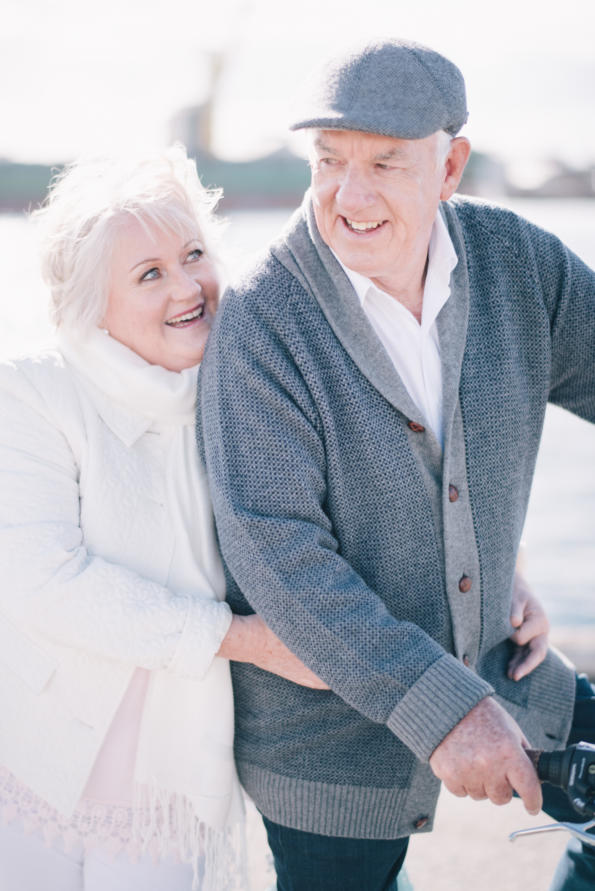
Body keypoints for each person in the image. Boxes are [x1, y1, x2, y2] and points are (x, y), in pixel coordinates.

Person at [198, 39, 595, 891]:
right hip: (326, 733)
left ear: (449, 165)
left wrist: (502, 569)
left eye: (384, 162)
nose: (350, 194)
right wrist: (443, 708)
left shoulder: (514, 263)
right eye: (330, 160)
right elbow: (276, 552)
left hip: (501, 665)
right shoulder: (264, 319)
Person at [0, 145, 326, 891]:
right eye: (149, 274)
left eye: (193, 255)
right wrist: (244, 640)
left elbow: (376, 476)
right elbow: (42, 580)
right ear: (90, 305)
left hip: (173, 780)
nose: (187, 287)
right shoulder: (31, 393)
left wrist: (504, 584)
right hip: (35, 757)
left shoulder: (245, 388)